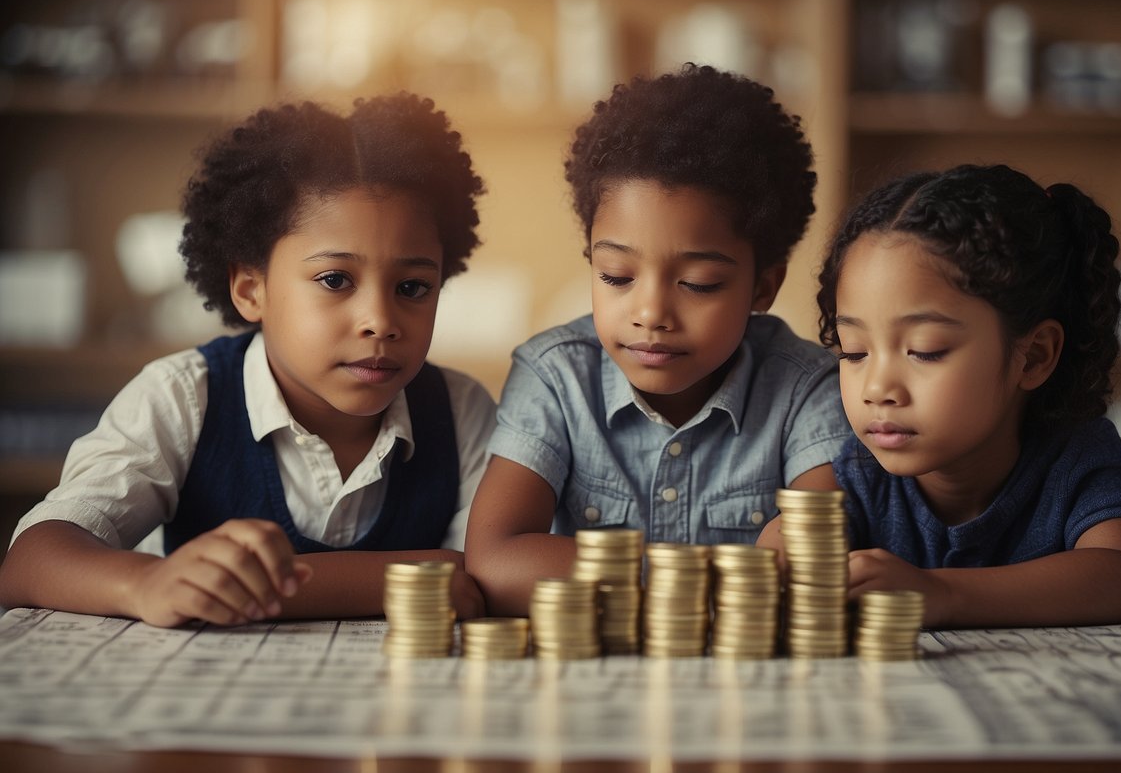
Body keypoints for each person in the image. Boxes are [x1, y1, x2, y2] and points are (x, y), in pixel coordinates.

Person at [0, 93, 496, 626]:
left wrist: (243, 594)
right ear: (249, 288)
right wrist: (147, 582)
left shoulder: (460, 410)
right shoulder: (183, 396)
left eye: (413, 286)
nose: (380, 319)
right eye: (335, 279)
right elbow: (30, 561)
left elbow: (484, 580)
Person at [464, 64, 851, 616]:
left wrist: (614, 581)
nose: (650, 313)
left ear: (763, 286)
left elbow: (813, 555)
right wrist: (689, 590)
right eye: (617, 277)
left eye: (699, 284)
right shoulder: (554, 376)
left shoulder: (805, 389)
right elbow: (496, 561)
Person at [759, 163, 1121, 628]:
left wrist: (942, 593)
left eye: (924, 351)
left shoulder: (1075, 458)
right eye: (853, 352)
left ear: (1033, 357)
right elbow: (782, 546)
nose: (877, 389)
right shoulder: (858, 474)